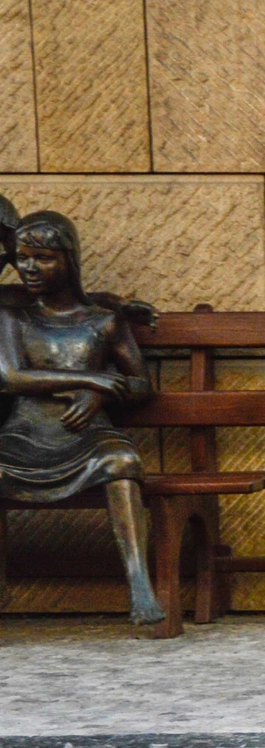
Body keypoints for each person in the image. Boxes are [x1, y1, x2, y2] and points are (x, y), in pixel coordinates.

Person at [0, 212, 166, 624]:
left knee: (122, 462)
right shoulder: (12, 316)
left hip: (88, 434)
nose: (29, 268)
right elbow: (12, 377)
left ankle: (140, 585)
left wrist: (98, 393)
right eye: (22, 258)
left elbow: (141, 383)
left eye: (43, 258)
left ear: (70, 261)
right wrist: (94, 377)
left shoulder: (104, 320)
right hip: (23, 431)